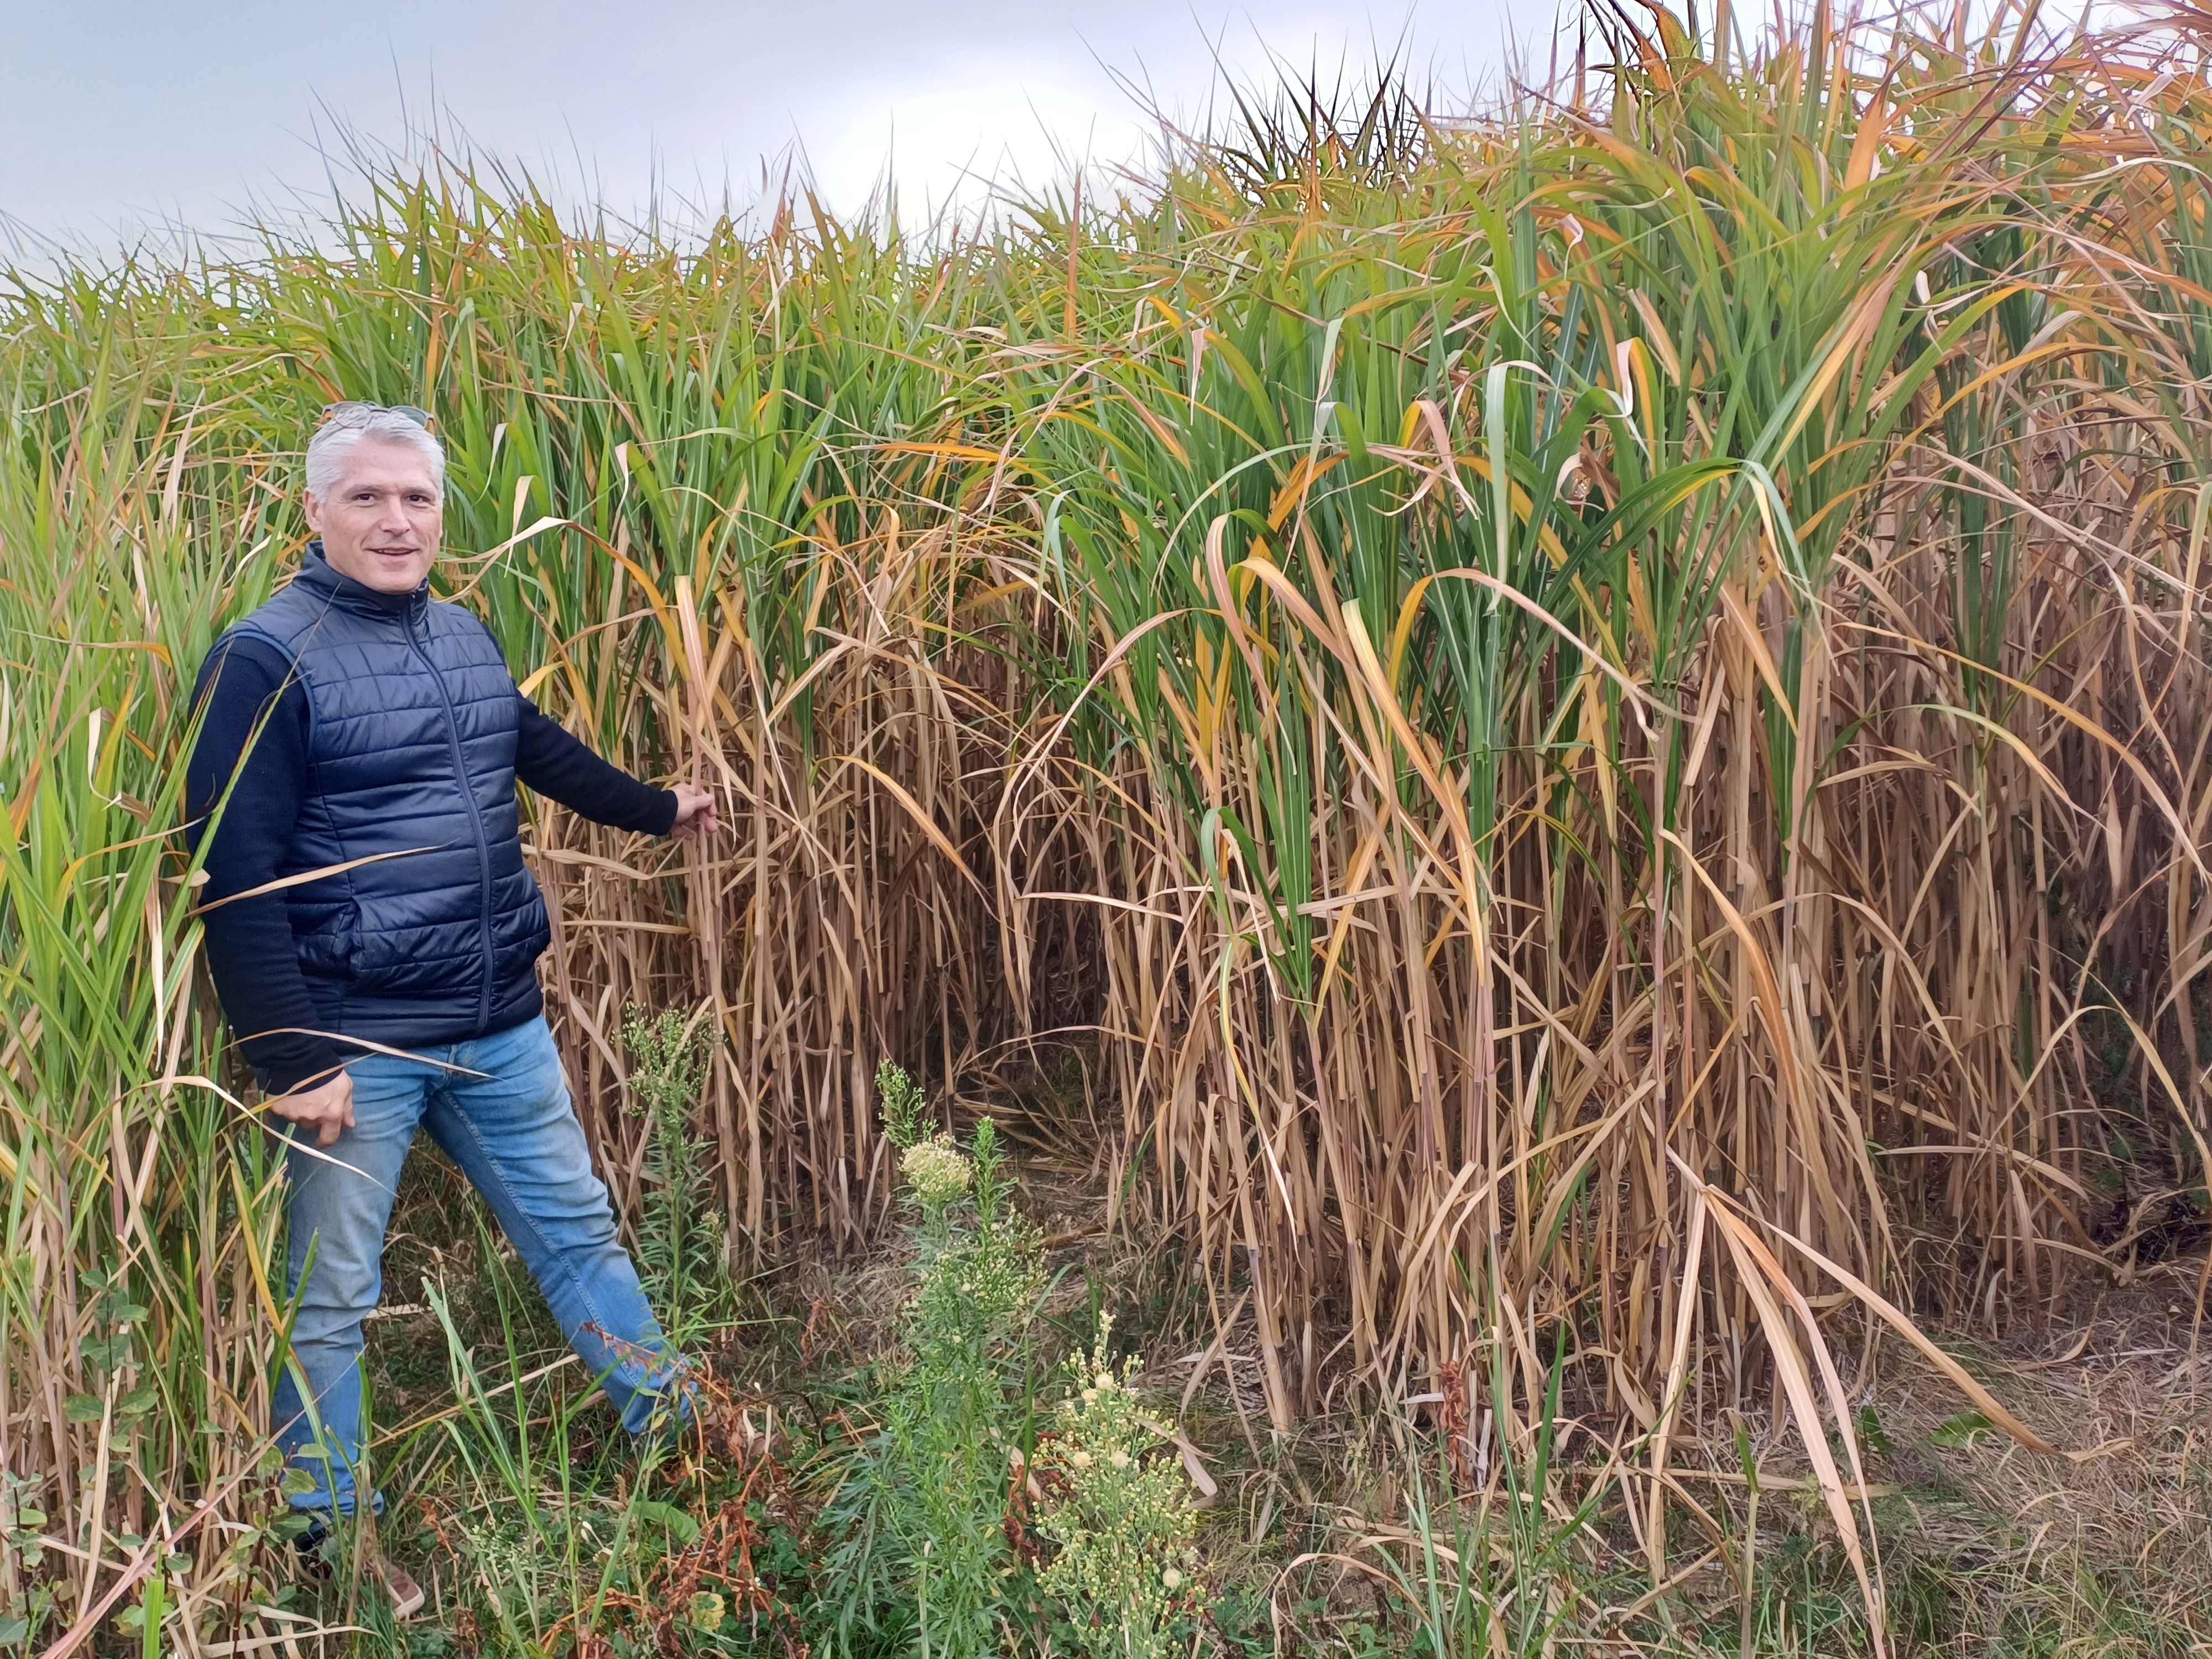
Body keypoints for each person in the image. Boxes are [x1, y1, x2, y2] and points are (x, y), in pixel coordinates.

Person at [185, 403, 717, 1618]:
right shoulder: (265, 659)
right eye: (367, 498)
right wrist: (291, 1054)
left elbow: (523, 744)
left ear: (441, 515)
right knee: (331, 1300)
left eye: (415, 499)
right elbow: (237, 870)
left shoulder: (462, 633)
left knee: (578, 1233)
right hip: (356, 1044)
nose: (395, 520)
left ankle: (681, 1438)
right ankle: (331, 1543)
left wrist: (654, 807)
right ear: (313, 512)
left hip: (496, 1022)